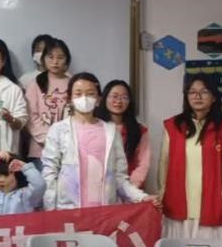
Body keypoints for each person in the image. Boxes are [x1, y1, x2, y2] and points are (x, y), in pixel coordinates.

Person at [41, 72, 155, 209]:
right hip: (68, 209)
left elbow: (119, 177)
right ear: (69, 98)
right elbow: (50, 173)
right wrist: (50, 209)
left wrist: (141, 197)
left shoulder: (111, 131)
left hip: (104, 211)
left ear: (99, 99)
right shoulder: (58, 130)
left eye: (90, 93)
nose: (84, 98)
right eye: (78, 93)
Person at [158, 73, 222, 240]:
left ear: (214, 97)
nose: (197, 96)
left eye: (204, 91)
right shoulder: (173, 127)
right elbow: (163, 165)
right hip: (178, 204)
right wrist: (162, 193)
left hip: (212, 204)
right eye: (192, 92)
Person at [25, 38, 73, 161]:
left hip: (69, 150)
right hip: (40, 151)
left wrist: (66, 142)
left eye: (60, 57)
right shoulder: (35, 83)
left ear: (67, 60)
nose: (55, 61)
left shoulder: (73, 83)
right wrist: (49, 140)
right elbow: (31, 117)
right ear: (43, 59)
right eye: (50, 57)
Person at [96, 80, 151, 188]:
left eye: (124, 97)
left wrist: (129, 187)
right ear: (104, 98)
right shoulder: (95, 126)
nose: (118, 101)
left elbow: (143, 164)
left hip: (129, 188)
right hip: (98, 187)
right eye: (114, 96)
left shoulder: (140, 130)